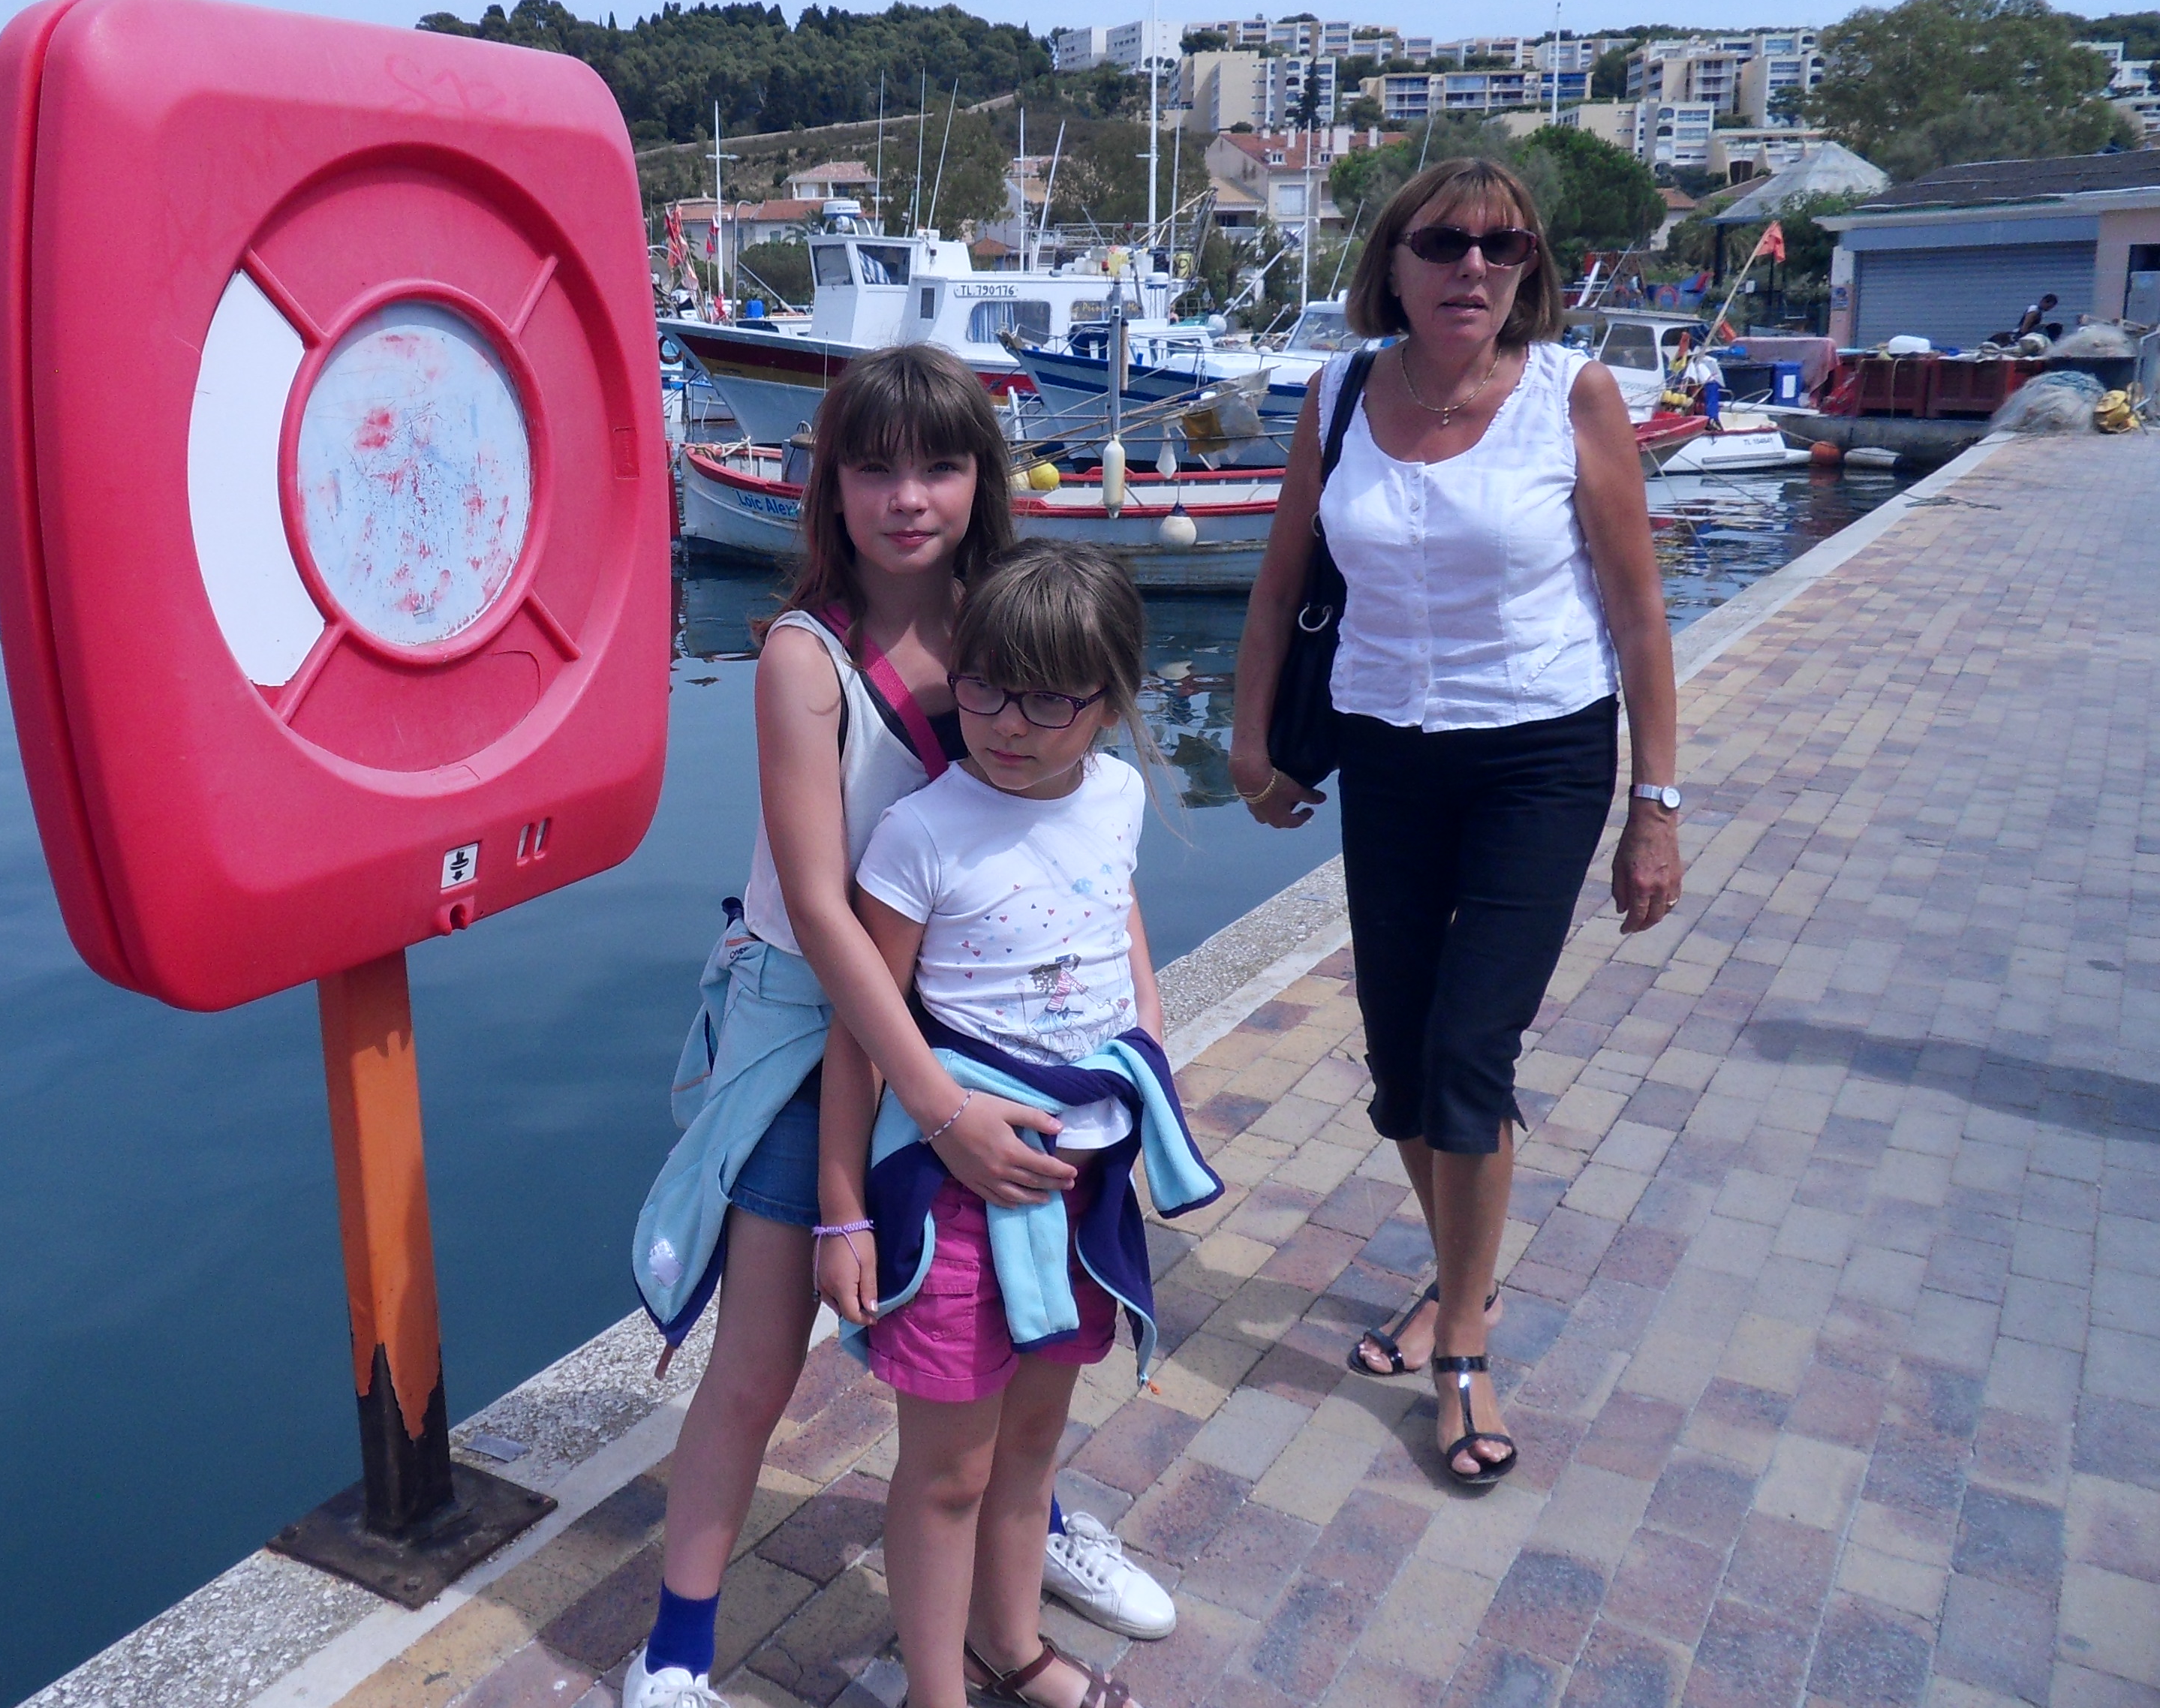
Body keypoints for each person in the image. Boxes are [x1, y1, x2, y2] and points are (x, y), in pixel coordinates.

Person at [627, 355, 1172, 1708]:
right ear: (832, 487)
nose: (907, 497)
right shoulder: (804, 656)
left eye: (939, 465)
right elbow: (821, 908)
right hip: (821, 1023)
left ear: (985, 476)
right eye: (873, 469)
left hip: (987, 1017)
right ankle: (677, 1647)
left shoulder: (1012, 615)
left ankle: (1028, 1543)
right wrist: (935, 1106)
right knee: (759, 1362)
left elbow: (1082, 831)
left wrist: (1141, 1048)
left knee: (1026, 1325)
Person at [1226, 159, 1683, 1489]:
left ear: (1530, 265)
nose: (1473, 266)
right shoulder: (1341, 393)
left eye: (1503, 245)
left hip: (1539, 758)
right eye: (1443, 242)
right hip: (1388, 756)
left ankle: (1465, 1346)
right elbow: (1280, 588)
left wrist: (1655, 805)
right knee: (1398, 1066)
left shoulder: (1571, 396)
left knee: (1469, 1051)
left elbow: (1639, 613)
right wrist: (1250, 745)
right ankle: (1458, 1273)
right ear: (1395, 259)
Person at [818, 544, 1220, 1708]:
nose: (1007, 723)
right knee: (949, 1468)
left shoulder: (1120, 794)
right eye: (986, 687)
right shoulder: (920, 834)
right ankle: (935, 1689)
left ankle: (1011, 1642)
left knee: (1033, 1445)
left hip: (1080, 1181)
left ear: (1111, 699)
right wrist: (841, 1210)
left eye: (1050, 701)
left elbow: (1114, 911)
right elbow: (862, 1029)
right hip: (956, 1194)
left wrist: (1144, 1028)